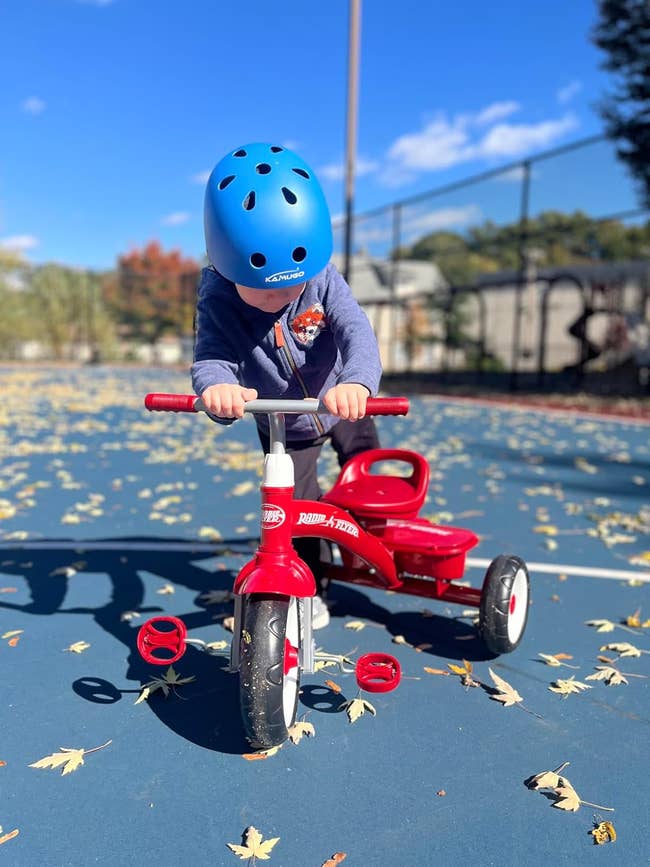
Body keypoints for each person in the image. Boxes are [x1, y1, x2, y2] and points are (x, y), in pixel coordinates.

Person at [192, 142, 382, 628]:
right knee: (298, 510)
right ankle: (310, 589)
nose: (277, 297)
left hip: (341, 402)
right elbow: (212, 355)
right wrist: (218, 389)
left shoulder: (321, 277)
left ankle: (374, 539)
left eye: (289, 285)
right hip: (286, 422)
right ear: (225, 263)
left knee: (368, 478)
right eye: (262, 287)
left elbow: (356, 330)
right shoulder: (217, 296)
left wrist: (357, 383)